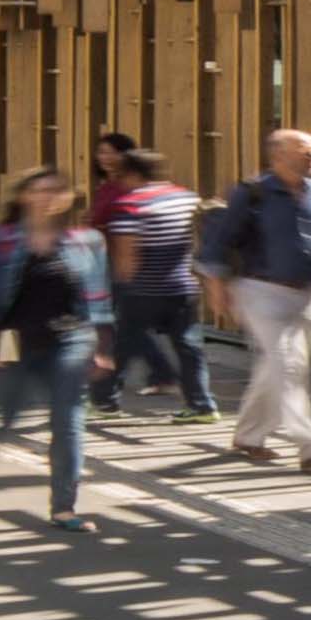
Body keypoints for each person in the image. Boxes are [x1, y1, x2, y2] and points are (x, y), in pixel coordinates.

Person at [196, 127, 311, 473]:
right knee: (288, 367)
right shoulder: (253, 193)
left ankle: (248, 435)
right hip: (260, 291)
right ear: (279, 155)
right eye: (307, 152)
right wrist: (216, 286)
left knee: (279, 368)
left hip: (309, 293)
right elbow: (219, 241)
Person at [0, 168, 97, 524]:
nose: (47, 197)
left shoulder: (85, 241)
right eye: (39, 190)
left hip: (70, 338)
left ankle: (64, 507)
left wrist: (102, 345)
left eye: (56, 190)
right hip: (11, 339)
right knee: (9, 417)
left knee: (68, 421)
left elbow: (96, 298)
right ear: (23, 196)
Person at [93, 141, 211, 417]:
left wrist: (122, 285)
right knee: (189, 347)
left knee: (122, 346)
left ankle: (104, 401)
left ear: (132, 174)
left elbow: (126, 255)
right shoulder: (187, 198)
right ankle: (202, 405)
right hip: (183, 285)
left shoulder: (130, 206)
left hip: (143, 289)